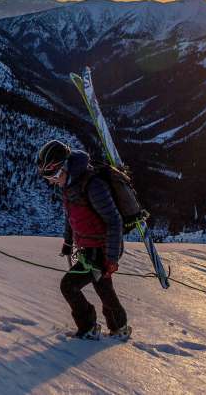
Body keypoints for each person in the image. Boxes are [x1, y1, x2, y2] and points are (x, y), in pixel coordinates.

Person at [37, 140, 130, 340]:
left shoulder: (92, 185)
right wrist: (68, 242)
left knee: (69, 285)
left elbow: (114, 221)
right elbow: (72, 217)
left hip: (101, 249)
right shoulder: (71, 185)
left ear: (65, 167)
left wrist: (111, 258)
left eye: (53, 175)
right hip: (91, 247)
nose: (52, 181)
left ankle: (88, 328)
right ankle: (119, 327)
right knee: (103, 288)